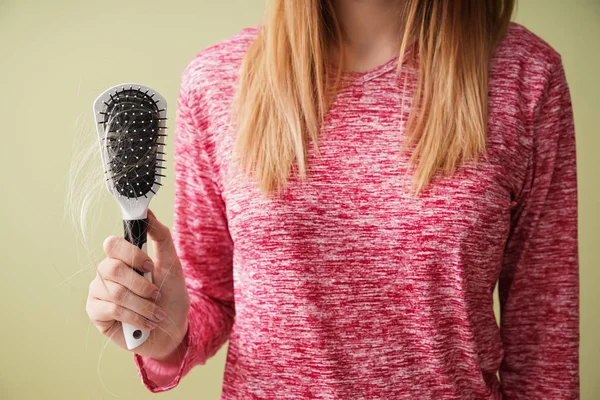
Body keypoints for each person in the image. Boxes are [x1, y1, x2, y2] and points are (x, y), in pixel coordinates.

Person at [85, 0, 580, 398]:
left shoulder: (525, 77)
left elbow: (546, 340)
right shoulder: (217, 81)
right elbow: (213, 297)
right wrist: (168, 338)